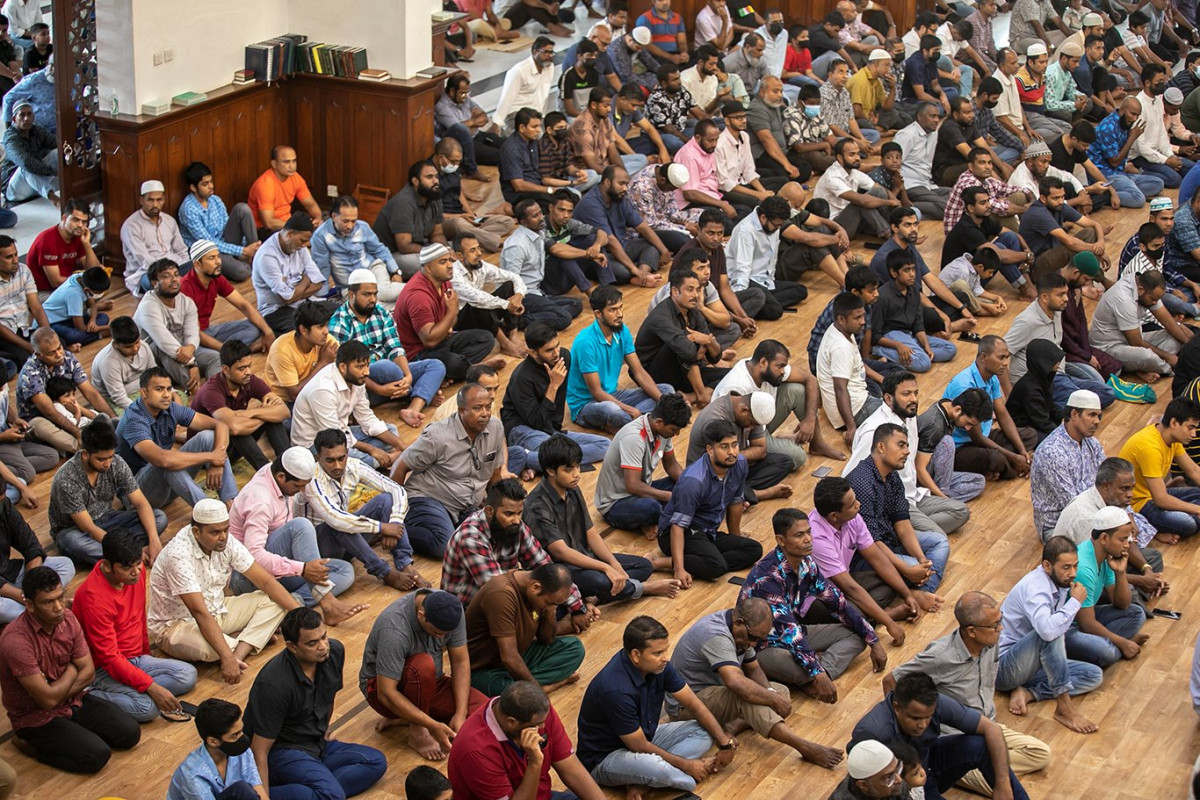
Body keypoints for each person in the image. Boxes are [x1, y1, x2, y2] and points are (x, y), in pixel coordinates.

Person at [885, 592, 1052, 795]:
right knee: (1002, 787)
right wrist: (903, 738)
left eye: (1000, 621)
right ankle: (962, 766)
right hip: (955, 738)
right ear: (972, 631)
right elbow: (891, 680)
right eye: (994, 625)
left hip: (986, 725)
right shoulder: (940, 656)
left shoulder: (991, 642)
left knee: (1040, 754)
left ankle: (979, 765)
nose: (1001, 629)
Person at [0, 566, 140, 773]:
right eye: (48, 602)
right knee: (96, 756)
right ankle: (30, 746)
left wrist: (60, 687)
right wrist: (73, 670)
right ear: (29, 605)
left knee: (130, 734)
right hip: (36, 717)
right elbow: (47, 701)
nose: (58, 607)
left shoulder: (67, 618)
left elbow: (89, 673)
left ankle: (76, 733)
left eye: (60, 597)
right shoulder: (16, 641)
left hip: (74, 699)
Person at [577, 616, 738, 793]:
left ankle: (642, 781)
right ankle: (657, 776)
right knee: (674, 776)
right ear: (636, 655)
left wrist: (725, 743)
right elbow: (638, 746)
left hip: (645, 737)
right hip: (607, 757)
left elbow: (694, 704)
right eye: (658, 653)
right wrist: (688, 766)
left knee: (704, 732)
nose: (665, 658)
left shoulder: (658, 666)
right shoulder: (615, 689)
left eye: (665, 651)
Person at [740, 508, 884, 701]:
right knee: (800, 667)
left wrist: (874, 641)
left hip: (797, 632)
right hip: (764, 647)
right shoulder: (766, 578)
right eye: (799, 535)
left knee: (857, 635)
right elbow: (789, 632)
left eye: (809, 532)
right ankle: (813, 674)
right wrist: (817, 671)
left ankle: (815, 675)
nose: (808, 539)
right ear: (781, 540)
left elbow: (839, 604)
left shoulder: (807, 564)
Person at [148, 499, 299, 682]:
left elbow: (266, 581)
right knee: (209, 650)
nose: (223, 536)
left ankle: (238, 651)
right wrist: (225, 656)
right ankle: (247, 640)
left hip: (218, 610)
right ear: (196, 532)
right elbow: (198, 612)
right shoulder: (178, 555)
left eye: (226, 530)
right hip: (177, 625)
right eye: (215, 532)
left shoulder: (226, 542)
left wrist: (302, 615)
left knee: (276, 601)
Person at [245, 608, 387, 798]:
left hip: (316, 743)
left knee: (375, 761)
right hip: (283, 751)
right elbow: (259, 750)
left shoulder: (334, 651)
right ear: (292, 646)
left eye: (324, 637)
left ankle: (312, 791)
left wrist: (324, 728)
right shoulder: (273, 684)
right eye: (312, 643)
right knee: (332, 794)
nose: (323, 646)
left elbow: (329, 695)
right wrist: (262, 796)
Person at [532, 435, 678, 604]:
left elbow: (591, 532)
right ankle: (644, 589)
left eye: (578, 466)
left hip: (585, 556)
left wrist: (613, 564)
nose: (577, 474)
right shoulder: (538, 505)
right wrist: (605, 567)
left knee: (644, 566)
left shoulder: (572, 489)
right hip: (560, 570)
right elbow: (561, 552)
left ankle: (594, 597)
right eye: (568, 470)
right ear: (551, 471)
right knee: (602, 580)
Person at [228, 447, 365, 625]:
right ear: (281, 477)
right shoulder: (260, 501)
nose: (301, 491)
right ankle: (327, 603)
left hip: (278, 569)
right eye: (298, 486)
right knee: (300, 526)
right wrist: (302, 569)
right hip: (247, 577)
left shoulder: (277, 474)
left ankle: (286, 604)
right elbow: (253, 556)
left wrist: (302, 568)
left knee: (344, 570)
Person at [72, 530, 197, 724]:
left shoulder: (135, 576)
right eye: (127, 567)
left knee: (187, 675)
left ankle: (135, 690)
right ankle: (87, 694)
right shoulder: (93, 598)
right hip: (103, 669)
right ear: (107, 566)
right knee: (146, 709)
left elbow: (139, 617)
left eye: (138, 563)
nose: (137, 571)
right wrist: (151, 687)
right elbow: (109, 658)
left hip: (135, 659)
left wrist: (146, 655)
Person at [849, 672, 1029, 799]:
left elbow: (991, 728)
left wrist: (1003, 785)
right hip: (905, 787)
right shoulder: (873, 733)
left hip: (927, 765)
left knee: (978, 745)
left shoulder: (934, 703)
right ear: (897, 707)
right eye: (915, 718)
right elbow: (864, 782)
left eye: (928, 717)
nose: (923, 724)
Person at [359, 588, 487, 760]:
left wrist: (460, 713)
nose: (441, 638)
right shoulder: (394, 628)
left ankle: (407, 717)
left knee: (484, 711)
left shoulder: (453, 611)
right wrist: (432, 726)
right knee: (423, 665)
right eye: (437, 633)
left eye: (446, 635)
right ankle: (417, 730)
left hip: (429, 683)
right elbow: (386, 693)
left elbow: (460, 661)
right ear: (421, 615)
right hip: (383, 691)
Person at [996, 536, 1104, 733]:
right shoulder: (1035, 589)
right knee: (1049, 633)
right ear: (1047, 566)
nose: (1073, 573)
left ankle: (1029, 693)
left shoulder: (1060, 583)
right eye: (1066, 567)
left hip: (1033, 662)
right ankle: (1064, 708)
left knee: (1093, 675)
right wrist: (1075, 602)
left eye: (1075, 566)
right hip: (1004, 667)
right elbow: (1047, 631)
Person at [392, 382, 513, 558]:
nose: (485, 413)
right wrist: (393, 516)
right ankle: (392, 530)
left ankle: (453, 529)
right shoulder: (437, 435)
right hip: (429, 498)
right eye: (478, 408)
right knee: (444, 546)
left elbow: (495, 476)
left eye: (488, 407)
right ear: (461, 410)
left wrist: (497, 510)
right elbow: (399, 466)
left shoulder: (495, 427)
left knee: (500, 534)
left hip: (466, 504)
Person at [845, 372, 970, 538]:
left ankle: (901, 530)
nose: (914, 399)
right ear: (888, 399)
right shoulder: (875, 432)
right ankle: (900, 529)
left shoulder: (910, 417)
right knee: (937, 537)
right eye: (906, 394)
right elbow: (850, 475)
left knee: (961, 511)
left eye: (915, 393)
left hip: (913, 495)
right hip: (893, 503)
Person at [306, 428, 424, 591]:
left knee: (386, 500)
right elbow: (335, 519)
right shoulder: (311, 479)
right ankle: (385, 573)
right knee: (340, 524)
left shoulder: (353, 466)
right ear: (318, 457)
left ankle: (404, 563)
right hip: (320, 549)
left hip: (347, 541)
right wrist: (382, 527)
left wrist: (395, 522)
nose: (337, 466)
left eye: (341, 458)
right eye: (330, 460)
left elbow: (396, 489)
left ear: (347, 453)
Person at [448, 680, 608, 800]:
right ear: (511, 722)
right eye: (537, 724)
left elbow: (571, 769)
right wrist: (535, 764)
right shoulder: (475, 750)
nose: (543, 726)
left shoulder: (537, 712)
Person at [809, 475, 927, 636]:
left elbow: (878, 559)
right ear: (834, 516)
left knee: (892, 582)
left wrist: (908, 595)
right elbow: (850, 588)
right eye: (852, 504)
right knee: (854, 611)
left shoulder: (853, 518)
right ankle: (882, 615)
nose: (858, 504)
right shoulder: (816, 538)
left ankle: (871, 616)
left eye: (855, 499)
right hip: (817, 596)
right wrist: (890, 623)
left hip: (844, 580)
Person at [847, 423, 951, 604]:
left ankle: (921, 590)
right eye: (901, 445)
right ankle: (916, 591)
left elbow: (902, 522)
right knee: (912, 566)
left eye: (907, 446)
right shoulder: (861, 483)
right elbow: (870, 544)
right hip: (867, 556)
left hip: (890, 541)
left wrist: (922, 560)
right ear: (881, 447)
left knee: (940, 542)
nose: (908, 451)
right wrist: (907, 569)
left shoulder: (893, 475)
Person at [329, 269, 446, 419]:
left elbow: (395, 348)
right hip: (364, 385)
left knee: (436, 366)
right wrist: (380, 389)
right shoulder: (339, 322)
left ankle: (413, 407)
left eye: (375, 294)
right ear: (351, 295)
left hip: (393, 377)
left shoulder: (381, 313)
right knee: (385, 366)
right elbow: (346, 370)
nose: (372, 299)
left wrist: (408, 376)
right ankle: (418, 394)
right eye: (367, 294)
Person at [658, 418, 763, 586]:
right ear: (710, 450)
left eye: (735, 445)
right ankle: (662, 562)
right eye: (724, 447)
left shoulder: (740, 464)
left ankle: (704, 562)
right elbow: (678, 526)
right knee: (717, 567)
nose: (732, 452)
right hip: (679, 532)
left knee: (753, 549)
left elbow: (735, 503)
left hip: (708, 531)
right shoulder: (694, 480)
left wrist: (735, 540)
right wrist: (679, 569)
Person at [48, 417, 166, 566]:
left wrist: (154, 541)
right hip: (76, 530)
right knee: (72, 542)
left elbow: (141, 503)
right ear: (85, 454)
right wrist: (127, 551)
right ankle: (127, 554)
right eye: (101, 459)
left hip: (108, 518)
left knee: (159, 518)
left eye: (110, 457)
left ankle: (117, 556)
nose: (108, 464)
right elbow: (88, 527)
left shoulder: (116, 463)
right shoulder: (67, 479)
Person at [115, 366, 236, 508]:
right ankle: (209, 512)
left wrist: (217, 462)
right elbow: (162, 459)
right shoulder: (134, 420)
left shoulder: (171, 408)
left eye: (168, 389)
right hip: (137, 495)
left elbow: (220, 425)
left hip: (168, 484)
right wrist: (211, 457)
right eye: (159, 389)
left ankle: (231, 504)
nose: (166, 395)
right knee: (167, 462)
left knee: (208, 437)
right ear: (144, 393)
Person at [500, 323, 610, 473]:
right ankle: (527, 458)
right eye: (549, 350)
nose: (556, 353)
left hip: (549, 430)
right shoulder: (521, 378)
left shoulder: (563, 357)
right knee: (558, 453)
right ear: (533, 353)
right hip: (521, 429)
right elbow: (535, 422)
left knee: (605, 445)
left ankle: (533, 460)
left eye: (557, 346)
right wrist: (553, 386)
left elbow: (557, 407)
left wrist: (555, 432)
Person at [465, 563, 586, 695]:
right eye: (549, 603)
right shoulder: (501, 594)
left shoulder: (537, 593)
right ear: (535, 587)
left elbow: (546, 639)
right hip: (484, 669)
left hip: (520, 654)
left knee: (575, 647)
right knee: (507, 689)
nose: (550, 606)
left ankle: (523, 685)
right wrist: (540, 691)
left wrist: (551, 610)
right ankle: (544, 686)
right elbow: (508, 657)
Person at [1054, 459, 1166, 601]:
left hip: (1105, 561)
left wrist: (1147, 569)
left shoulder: (1113, 502)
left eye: (1131, 488)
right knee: (1127, 592)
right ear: (1106, 486)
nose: (1130, 494)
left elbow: (1127, 541)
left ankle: (1141, 592)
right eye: (1124, 489)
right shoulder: (1086, 518)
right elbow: (1098, 570)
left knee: (1153, 557)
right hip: (1079, 575)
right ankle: (1137, 595)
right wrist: (1141, 580)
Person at [567, 284, 673, 433]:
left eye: (620, 308)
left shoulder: (622, 331)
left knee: (666, 391)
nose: (619, 314)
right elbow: (596, 392)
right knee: (612, 410)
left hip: (613, 395)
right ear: (598, 314)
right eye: (612, 310)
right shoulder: (585, 342)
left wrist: (665, 404)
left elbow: (639, 372)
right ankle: (643, 420)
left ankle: (629, 423)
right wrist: (629, 410)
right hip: (587, 404)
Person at [290, 339, 405, 470]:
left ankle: (379, 461)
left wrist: (402, 446)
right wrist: (372, 449)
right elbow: (333, 437)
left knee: (391, 431)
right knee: (344, 455)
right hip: (314, 444)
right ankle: (381, 461)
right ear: (343, 367)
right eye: (360, 367)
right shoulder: (323, 390)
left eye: (367, 365)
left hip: (342, 431)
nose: (367, 372)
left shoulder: (357, 379)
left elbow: (366, 418)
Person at [1004, 271, 1114, 407]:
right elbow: (999, 355)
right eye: (1060, 294)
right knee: (1086, 402)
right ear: (1044, 297)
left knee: (1107, 392)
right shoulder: (1027, 322)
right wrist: (1009, 395)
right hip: (1039, 382)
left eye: (1066, 293)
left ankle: (1053, 406)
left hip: (1060, 373)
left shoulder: (1057, 311)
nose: (1066, 298)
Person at [394, 242, 500, 383]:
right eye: (443, 262)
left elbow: (450, 323)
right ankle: (473, 368)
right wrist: (452, 311)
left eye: (450, 260)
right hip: (417, 353)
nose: (450, 265)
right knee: (454, 363)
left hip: (440, 340)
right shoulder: (418, 296)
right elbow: (429, 341)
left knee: (485, 338)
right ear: (429, 268)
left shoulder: (444, 281)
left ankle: (452, 371)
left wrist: (448, 325)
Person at [594, 392, 689, 536]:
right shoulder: (634, 437)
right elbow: (632, 486)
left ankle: (653, 520)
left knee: (682, 485)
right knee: (653, 507)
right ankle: (651, 520)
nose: (677, 434)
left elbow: (671, 465)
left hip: (641, 490)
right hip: (617, 502)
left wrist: (690, 485)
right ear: (659, 422)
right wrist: (667, 496)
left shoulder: (663, 432)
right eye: (674, 430)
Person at [188, 339, 289, 473]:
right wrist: (264, 414)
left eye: (249, 366)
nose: (248, 372)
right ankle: (266, 472)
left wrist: (252, 413)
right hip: (208, 454)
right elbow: (234, 428)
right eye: (241, 368)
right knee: (237, 430)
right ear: (225, 369)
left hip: (231, 445)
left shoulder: (249, 380)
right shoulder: (211, 391)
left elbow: (284, 411)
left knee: (273, 420)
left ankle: (288, 463)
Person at [1068, 507, 1150, 668]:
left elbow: (1122, 604)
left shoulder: (1106, 556)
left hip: (1086, 619)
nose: (1127, 545)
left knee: (1137, 613)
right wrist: (1123, 642)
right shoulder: (1083, 568)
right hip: (1068, 629)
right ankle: (1116, 644)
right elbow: (1086, 624)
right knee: (1107, 653)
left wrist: (1120, 572)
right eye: (1122, 539)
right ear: (1104, 538)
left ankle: (1111, 643)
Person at [943, 336, 1034, 481]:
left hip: (983, 437)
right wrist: (1013, 457)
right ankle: (1011, 467)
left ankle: (1005, 466)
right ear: (984, 357)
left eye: (1007, 357)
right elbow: (977, 437)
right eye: (1001, 358)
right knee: (996, 458)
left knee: (1030, 435)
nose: (1006, 363)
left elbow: (1003, 416)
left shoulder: (992, 378)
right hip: (959, 447)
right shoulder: (965, 385)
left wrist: (1022, 452)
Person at [635, 268, 729, 402]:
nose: (695, 295)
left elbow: (715, 357)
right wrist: (698, 345)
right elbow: (687, 351)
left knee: (732, 375)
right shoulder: (661, 316)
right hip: (653, 376)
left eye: (698, 290)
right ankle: (702, 393)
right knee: (681, 346)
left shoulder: (693, 311)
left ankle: (692, 396)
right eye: (690, 290)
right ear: (675, 292)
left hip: (684, 370)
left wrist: (708, 341)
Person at [17, 327, 113, 456]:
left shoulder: (67, 358)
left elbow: (91, 393)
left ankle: (104, 434)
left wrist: (113, 419)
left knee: (98, 416)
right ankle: (87, 448)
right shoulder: (30, 373)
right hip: (42, 418)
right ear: (39, 355)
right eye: (51, 353)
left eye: (59, 348)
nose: (59, 354)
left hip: (66, 411)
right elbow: (50, 412)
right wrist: (77, 432)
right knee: (39, 424)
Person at [687, 391, 796, 498]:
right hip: (710, 472)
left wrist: (734, 456)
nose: (752, 427)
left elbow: (760, 450)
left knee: (784, 462)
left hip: (732, 463)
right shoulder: (714, 419)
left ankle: (738, 493)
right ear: (744, 410)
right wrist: (735, 456)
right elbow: (717, 462)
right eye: (752, 423)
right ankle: (754, 494)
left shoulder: (752, 412)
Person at [133, 258, 220, 393]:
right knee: (161, 348)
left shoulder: (187, 302)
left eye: (176, 274)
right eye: (167, 276)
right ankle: (196, 391)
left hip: (182, 354)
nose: (174, 279)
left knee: (215, 357)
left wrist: (191, 347)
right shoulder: (148, 307)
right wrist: (192, 364)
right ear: (154, 283)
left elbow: (192, 332)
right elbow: (164, 342)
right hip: (152, 362)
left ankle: (215, 391)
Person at [1119, 398, 1200, 541]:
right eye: (1190, 427)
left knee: (1197, 493)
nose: (1194, 434)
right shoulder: (1150, 447)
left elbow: (1193, 470)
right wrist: (1197, 509)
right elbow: (1161, 500)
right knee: (1188, 524)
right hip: (1138, 504)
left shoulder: (1172, 438)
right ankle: (1148, 527)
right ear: (1174, 423)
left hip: (1154, 494)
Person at [500, 199, 586, 332]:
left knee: (576, 304)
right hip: (522, 295)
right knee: (564, 318)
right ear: (524, 222)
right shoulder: (516, 245)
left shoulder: (539, 233)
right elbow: (511, 282)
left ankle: (537, 314)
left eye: (540, 213)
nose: (541, 218)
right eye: (535, 216)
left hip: (537, 291)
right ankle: (516, 320)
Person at [1030, 389, 1106, 535]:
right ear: (1074, 414)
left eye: (1099, 416)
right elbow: (1073, 506)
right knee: (1109, 541)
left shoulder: (1092, 443)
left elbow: (1107, 482)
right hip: (1060, 525)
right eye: (1092, 415)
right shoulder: (1052, 452)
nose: (1097, 421)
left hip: (1094, 511)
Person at [1092, 269, 1189, 382]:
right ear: (1141, 290)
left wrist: (1189, 345)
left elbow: (1167, 321)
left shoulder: (1146, 289)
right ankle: (1174, 369)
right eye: (1153, 299)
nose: (1155, 303)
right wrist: (1168, 357)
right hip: (1110, 347)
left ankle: (1145, 367)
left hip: (1133, 337)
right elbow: (1136, 343)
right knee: (1146, 355)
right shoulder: (1124, 299)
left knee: (1175, 338)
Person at [180, 240, 274, 351]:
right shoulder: (185, 288)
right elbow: (193, 332)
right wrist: (224, 350)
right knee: (210, 356)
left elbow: (243, 305)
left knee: (253, 328)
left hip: (207, 331)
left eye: (218, 256)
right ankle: (239, 351)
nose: (218, 262)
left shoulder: (216, 278)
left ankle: (235, 352)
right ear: (197, 264)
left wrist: (268, 331)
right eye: (212, 258)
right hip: (189, 338)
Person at [725, 196, 809, 319]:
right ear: (763, 217)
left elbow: (772, 257)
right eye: (777, 225)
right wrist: (741, 295)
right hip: (747, 280)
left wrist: (770, 279)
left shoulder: (772, 226)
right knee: (775, 311)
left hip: (763, 280)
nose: (778, 228)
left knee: (801, 290)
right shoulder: (745, 231)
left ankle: (763, 301)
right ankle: (750, 303)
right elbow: (742, 267)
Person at [0, 480, 73, 621]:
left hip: (9, 571)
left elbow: (29, 543)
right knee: (3, 609)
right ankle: (43, 606)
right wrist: (24, 596)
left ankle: (39, 606)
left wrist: (31, 584)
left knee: (65, 565)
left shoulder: (4, 505)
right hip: (5, 591)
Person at [167, 698, 267, 800]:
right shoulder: (193, 775)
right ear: (213, 741)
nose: (242, 738)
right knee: (242, 789)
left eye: (241, 730)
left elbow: (257, 788)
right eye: (234, 735)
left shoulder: (242, 751)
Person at [177, 161, 258, 283]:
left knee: (242, 209)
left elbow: (227, 226)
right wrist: (243, 251)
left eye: (211, 181)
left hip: (225, 242)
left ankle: (256, 255)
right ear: (193, 187)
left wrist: (245, 246)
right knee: (243, 272)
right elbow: (208, 242)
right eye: (205, 184)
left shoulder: (215, 200)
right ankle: (242, 260)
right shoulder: (188, 209)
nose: (211, 186)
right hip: (208, 252)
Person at [817, 293, 884, 441]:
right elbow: (840, 389)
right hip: (855, 408)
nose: (863, 321)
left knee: (894, 382)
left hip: (857, 391)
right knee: (900, 418)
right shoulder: (841, 347)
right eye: (857, 318)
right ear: (841, 319)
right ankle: (859, 435)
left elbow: (858, 364)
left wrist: (883, 380)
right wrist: (851, 427)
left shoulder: (843, 330)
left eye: (863, 316)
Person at [313, 194, 403, 303]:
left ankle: (418, 288)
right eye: (346, 221)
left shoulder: (362, 227)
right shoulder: (321, 236)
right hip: (350, 285)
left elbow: (379, 249)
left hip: (372, 268)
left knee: (384, 293)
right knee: (371, 304)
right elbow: (322, 268)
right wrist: (321, 299)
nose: (350, 226)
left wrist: (395, 272)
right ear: (334, 216)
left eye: (353, 221)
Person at [435, 139, 516, 253]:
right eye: (454, 162)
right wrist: (461, 216)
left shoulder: (452, 170)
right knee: (459, 224)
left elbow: (459, 193)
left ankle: (465, 239)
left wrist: (471, 214)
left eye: (459, 162)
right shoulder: (430, 176)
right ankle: (494, 241)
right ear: (441, 158)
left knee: (507, 222)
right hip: (447, 220)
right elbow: (433, 215)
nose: (456, 165)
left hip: (463, 217)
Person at [251, 213, 325, 335]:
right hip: (276, 311)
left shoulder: (299, 247)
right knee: (310, 330)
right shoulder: (267, 256)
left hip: (304, 303)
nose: (305, 245)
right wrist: (306, 279)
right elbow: (287, 299)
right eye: (302, 240)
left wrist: (295, 294)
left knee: (339, 312)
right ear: (290, 234)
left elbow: (319, 282)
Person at [374, 161, 449, 280]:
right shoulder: (403, 203)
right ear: (415, 181)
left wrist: (446, 250)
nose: (435, 181)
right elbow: (404, 246)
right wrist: (435, 254)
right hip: (394, 255)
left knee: (456, 253)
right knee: (433, 266)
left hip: (422, 248)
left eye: (436, 176)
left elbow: (437, 234)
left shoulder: (434, 196)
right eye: (429, 177)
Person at [814, 138, 898, 241]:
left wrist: (894, 199)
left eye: (858, 154)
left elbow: (877, 187)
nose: (857, 158)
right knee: (861, 203)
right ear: (840, 158)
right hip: (837, 227)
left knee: (879, 192)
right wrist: (889, 202)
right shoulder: (832, 177)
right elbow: (862, 201)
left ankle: (895, 227)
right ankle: (890, 236)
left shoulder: (852, 172)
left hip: (854, 220)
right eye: (852, 154)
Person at [121, 179, 192, 296]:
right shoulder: (131, 226)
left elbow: (181, 250)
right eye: (150, 200)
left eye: (159, 200)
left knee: (199, 267)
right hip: (147, 273)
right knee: (157, 282)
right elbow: (144, 260)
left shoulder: (169, 221)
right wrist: (169, 272)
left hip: (176, 267)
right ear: (141, 200)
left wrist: (181, 269)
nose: (155, 205)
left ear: (164, 199)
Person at [263, 300, 339, 404]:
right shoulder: (281, 351)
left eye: (327, 325)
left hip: (317, 392)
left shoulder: (327, 342)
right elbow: (295, 395)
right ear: (303, 330)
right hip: (284, 401)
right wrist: (322, 363)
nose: (326, 331)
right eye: (320, 327)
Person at [26, 198, 101, 293]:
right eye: (76, 220)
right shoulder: (48, 241)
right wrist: (85, 281)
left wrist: (86, 244)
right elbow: (55, 282)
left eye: (84, 222)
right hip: (44, 292)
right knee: (87, 293)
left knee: (100, 288)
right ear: (64, 218)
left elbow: (94, 270)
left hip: (66, 286)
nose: (80, 225)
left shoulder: (78, 235)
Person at [246, 145, 322, 237]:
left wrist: (318, 218)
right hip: (265, 230)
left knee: (329, 221)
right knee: (298, 236)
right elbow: (268, 223)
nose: (291, 166)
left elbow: (310, 204)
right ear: (274, 164)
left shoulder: (295, 177)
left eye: (294, 161)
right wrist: (298, 226)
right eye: (286, 162)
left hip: (288, 224)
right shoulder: (265, 184)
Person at [0, 232, 48, 375]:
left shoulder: (23, 271)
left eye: (16, 254)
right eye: (9, 257)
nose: (15, 260)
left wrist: (48, 335)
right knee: (27, 358)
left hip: (23, 330)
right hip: (4, 336)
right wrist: (28, 346)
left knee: (58, 343)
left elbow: (36, 308)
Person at [89, 316, 156, 416]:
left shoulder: (144, 347)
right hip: (113, 399)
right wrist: (145, 411)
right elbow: (119, 397)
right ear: (116, 344)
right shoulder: (107, 362)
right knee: (132, 419)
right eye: (128, 347)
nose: (135, 348)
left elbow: (154, 374)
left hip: (141, 388)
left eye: (137, 342)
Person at [41, 264, 109, 347]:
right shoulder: (74, 295)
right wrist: (106, 328)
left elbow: (92, 306)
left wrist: (92, 320)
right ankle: (100, 335)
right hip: (52, 323)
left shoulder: (81, 278)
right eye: (98, 292)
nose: (101, 294)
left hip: (68, 318)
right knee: (75, 336)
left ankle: (86, 336)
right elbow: (80, 327)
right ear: (87, 290)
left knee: (103, 317)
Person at [1, 99, 56, 203]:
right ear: (14, 119)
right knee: (25, 168)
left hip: (34, 183)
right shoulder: (10, 138)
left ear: (33, 117)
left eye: (29, 114)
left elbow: (56, 143)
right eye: (21, 115)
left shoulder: (37, 131)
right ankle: (55, 199)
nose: (26, 118)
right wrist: (52, 172)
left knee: (57, 154)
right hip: (16, 191)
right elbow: (25, 162)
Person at [827, 740, 908, 800]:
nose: (899, 780)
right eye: (888, 777)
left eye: (897, 769)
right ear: (864, 785)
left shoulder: (893, 785)